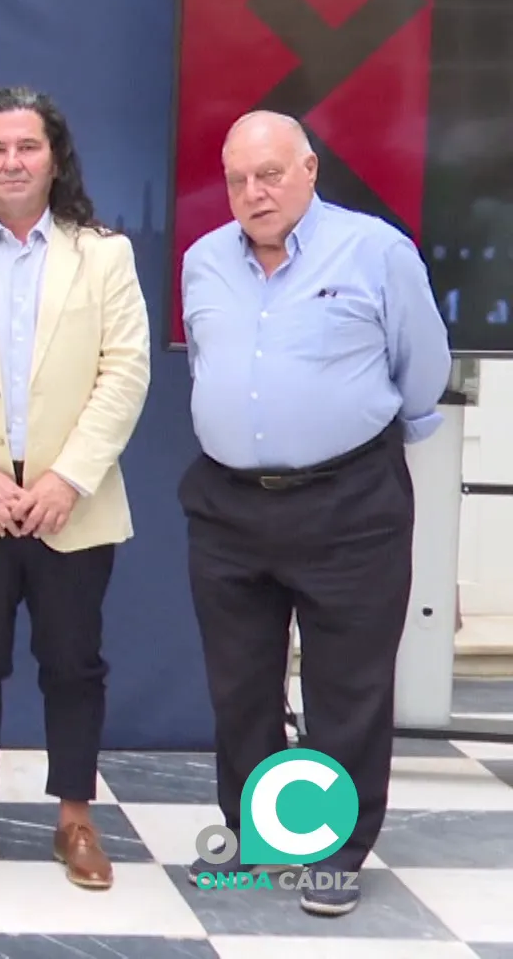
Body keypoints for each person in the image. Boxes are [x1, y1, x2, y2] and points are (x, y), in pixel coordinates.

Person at [179, 110, 450, 916]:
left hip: (350, 502)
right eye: (236, 180)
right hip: (229, 506)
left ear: (308, 171)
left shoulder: (375, 251)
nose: (252, 193)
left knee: (348, 689)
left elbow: (421, 366)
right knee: (241, 689)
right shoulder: (202, 263)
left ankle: (336, 852)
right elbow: (208, 363)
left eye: (269, 174)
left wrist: (337, 431)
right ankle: (261, 842)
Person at [0, 86, 151, 891]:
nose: (12, 161)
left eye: (27, 147)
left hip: (71, 506)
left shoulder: (103, 253)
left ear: (54, 159)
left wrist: (65, 478)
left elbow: (125, 372)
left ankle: (75, 817)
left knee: (73, 665)